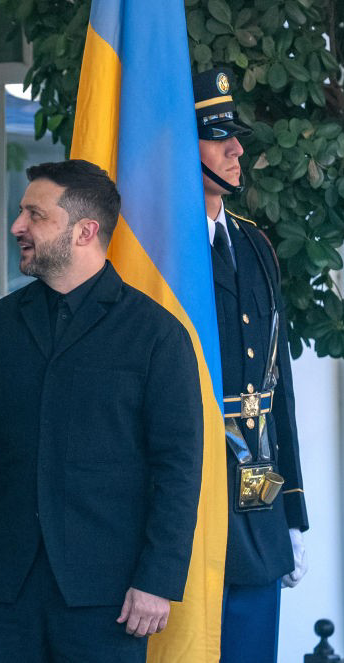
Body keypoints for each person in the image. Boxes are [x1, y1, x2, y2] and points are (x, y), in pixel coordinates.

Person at [0, 159, 204, 662]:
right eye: (21, 212)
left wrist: (158, 578)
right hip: (4, 589)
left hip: (111, 596)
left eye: (35, 215)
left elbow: (178, 469)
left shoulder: (157, 336)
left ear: (85, 231)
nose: (17, 226)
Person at [193, 66, 309, 663]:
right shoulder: (160, 252)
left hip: (257, 491)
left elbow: (276, 385)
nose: (237, 150)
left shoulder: (255, 244)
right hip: (189, 491)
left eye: (234, 136)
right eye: (218, 137)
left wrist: (293, 510)